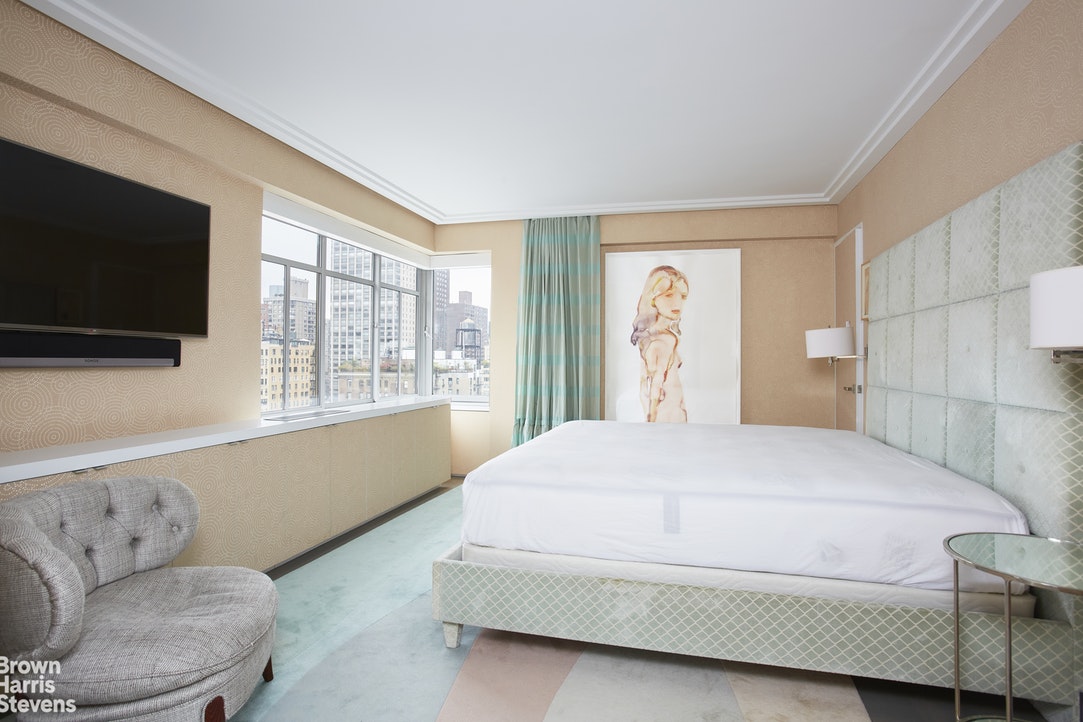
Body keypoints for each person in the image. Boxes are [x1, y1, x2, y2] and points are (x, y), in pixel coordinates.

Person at [630, 265, 688, 423]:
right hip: (668, 416)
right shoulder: (662, 341)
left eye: (682, 296)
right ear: (653, 299)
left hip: (669, 415)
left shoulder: (657, 337)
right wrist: (651, 421)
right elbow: (654, 389)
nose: (677, 302)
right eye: (669, 295)